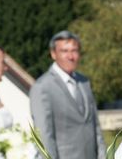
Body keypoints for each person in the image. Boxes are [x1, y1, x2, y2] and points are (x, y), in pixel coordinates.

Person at [30, 31, 106, 159]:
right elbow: (44, 135)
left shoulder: (84, 82)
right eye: (64, 51)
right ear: (53, 54)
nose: (71, 56)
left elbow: (95, 127)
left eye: (74, 50)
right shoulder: (42, 87)